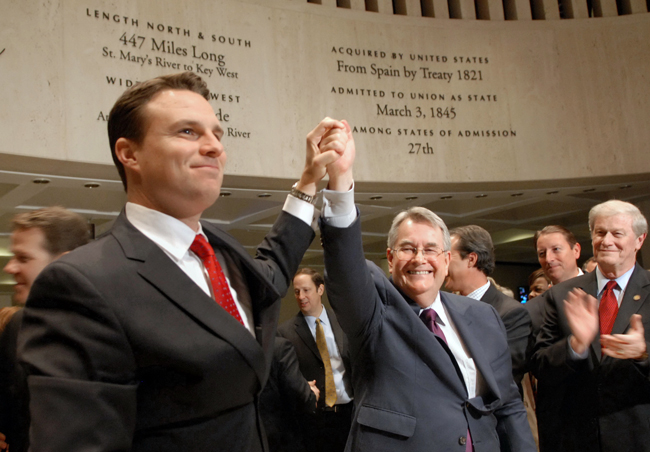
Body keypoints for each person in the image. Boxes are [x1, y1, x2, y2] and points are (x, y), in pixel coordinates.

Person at [18, 72, 349, 452]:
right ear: (129, 154)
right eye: (188, 132)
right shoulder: (82, 284)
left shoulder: (218, 248)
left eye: (217, 134)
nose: (214, 147)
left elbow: (271, 272)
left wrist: (309, 181)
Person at [317, 125, 535, 451]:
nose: (420, 259)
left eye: (431, 249)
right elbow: (346, 271)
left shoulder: (484, 316)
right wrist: (340, 180)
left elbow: (507, 404)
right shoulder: (374, 312)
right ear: (390, 258)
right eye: (408, 248)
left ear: (446, 260)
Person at [531, 200, 650, 452]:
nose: (606, 241)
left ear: (639, 240)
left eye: (617, 233)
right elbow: (541, 364)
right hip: (576, 439)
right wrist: (575, 346)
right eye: (600, 232)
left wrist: (643, 354)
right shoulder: (562, 294)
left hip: (639, 437)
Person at [0, 206, 90, 452]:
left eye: (23, 258)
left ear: (65, 262)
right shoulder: (16, 326)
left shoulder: (114, 327)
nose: (10, 268)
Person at [446, 225, 531, 393]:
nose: (442, 264)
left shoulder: (510, 313)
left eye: (448, 257)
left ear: (471, 259)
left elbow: (505, 376)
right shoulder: (444, 308)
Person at [278, 268, 352, 452]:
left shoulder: (345, 322)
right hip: (313, 419)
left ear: (320, 289)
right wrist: (301, 385)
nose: (301, 296)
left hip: (349, 414)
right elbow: (284, 378)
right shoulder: (285, 333)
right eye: (296, 291)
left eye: (306, 290)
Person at [259, 337, 319, 452]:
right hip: (281, 439)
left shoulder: (224, 350)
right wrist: (310, 393)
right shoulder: (279, 346)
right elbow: (301, 395)